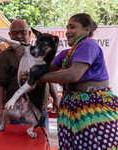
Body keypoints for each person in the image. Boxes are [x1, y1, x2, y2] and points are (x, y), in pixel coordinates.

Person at [39, 13, 118, 149]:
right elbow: (44, 68)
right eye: (67, 28)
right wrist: (29, 54)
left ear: (87, 30)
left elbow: (73, 75)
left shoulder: (88, 43)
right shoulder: (66, 54)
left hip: (93, 109)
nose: (68, 32)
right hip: (73, 109)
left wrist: (37, 77)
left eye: (72, 27)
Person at [0, 19, 59, 135]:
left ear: (29, 34)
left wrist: (56, 98)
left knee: (43, 143)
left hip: (41, 110)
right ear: (9, 35)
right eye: (14, 33)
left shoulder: (39, 51)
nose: (19, 36)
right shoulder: (4, 56)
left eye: (22, 32)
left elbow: (47, 76)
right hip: (21, 111)